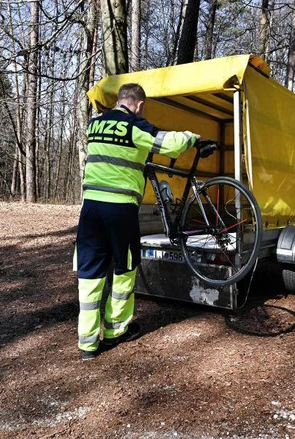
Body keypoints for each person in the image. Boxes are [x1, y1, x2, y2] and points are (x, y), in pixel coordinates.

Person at [74, 83, 203, 360]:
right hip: (120, 210)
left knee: (90, 273)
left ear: (119, 99)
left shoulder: (94, 125)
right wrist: (191, 137)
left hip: (91, 210)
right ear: (140, 103)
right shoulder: (135, 126)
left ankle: (87, 344)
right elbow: (168, 142)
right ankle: (115, 331)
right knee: (124, 268)